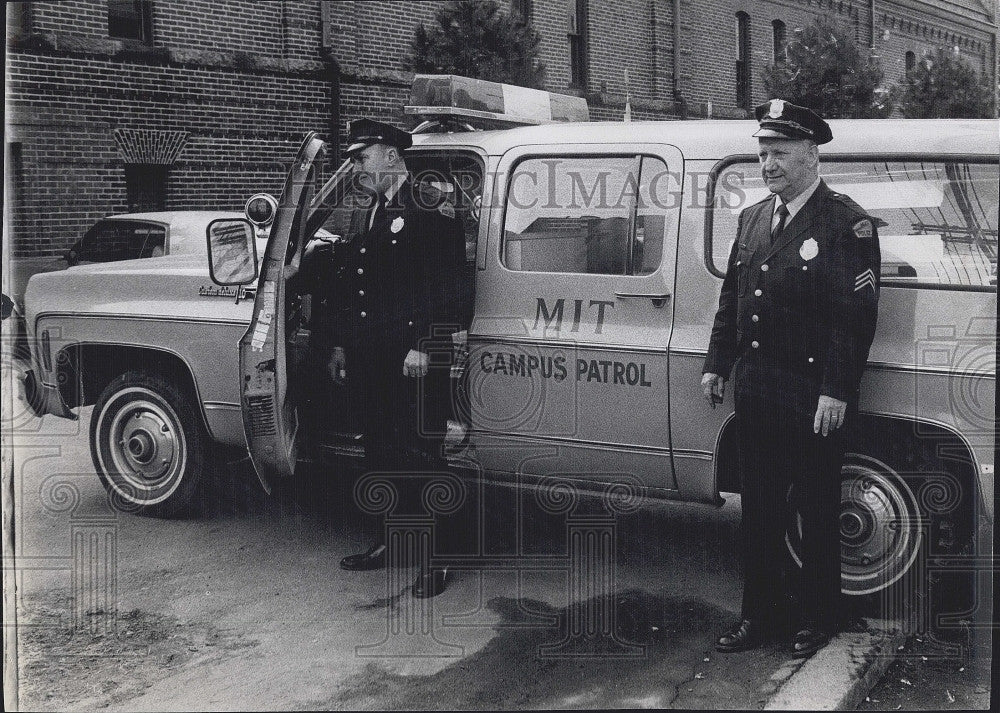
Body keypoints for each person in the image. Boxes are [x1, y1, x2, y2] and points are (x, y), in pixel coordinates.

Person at [702, 100, 880, 658]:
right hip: (757, 390)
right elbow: (733, 298)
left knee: (816, 507)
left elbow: (856, 318)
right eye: (762, 153)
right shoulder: (753, 217)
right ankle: (760, 615)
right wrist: (716, 362)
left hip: (809, 395)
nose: (768, 164)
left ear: (810, 153)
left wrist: (836, 388)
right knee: (758, 508)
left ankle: (817, 617)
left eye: (778, 153)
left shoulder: (844, 221)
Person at [296, 118, 467, 598]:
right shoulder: (370, 211)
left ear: (391, 155)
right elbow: (360, 288)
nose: (355, 166)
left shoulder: (427, 206)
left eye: (361, 156)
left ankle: (439, 558)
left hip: (411, 355)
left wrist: (423, 345)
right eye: (352, 158)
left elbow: (449, 285)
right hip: (372, 353)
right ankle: (393, 540)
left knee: (423, 454)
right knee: (381, 450)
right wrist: (338, 345)